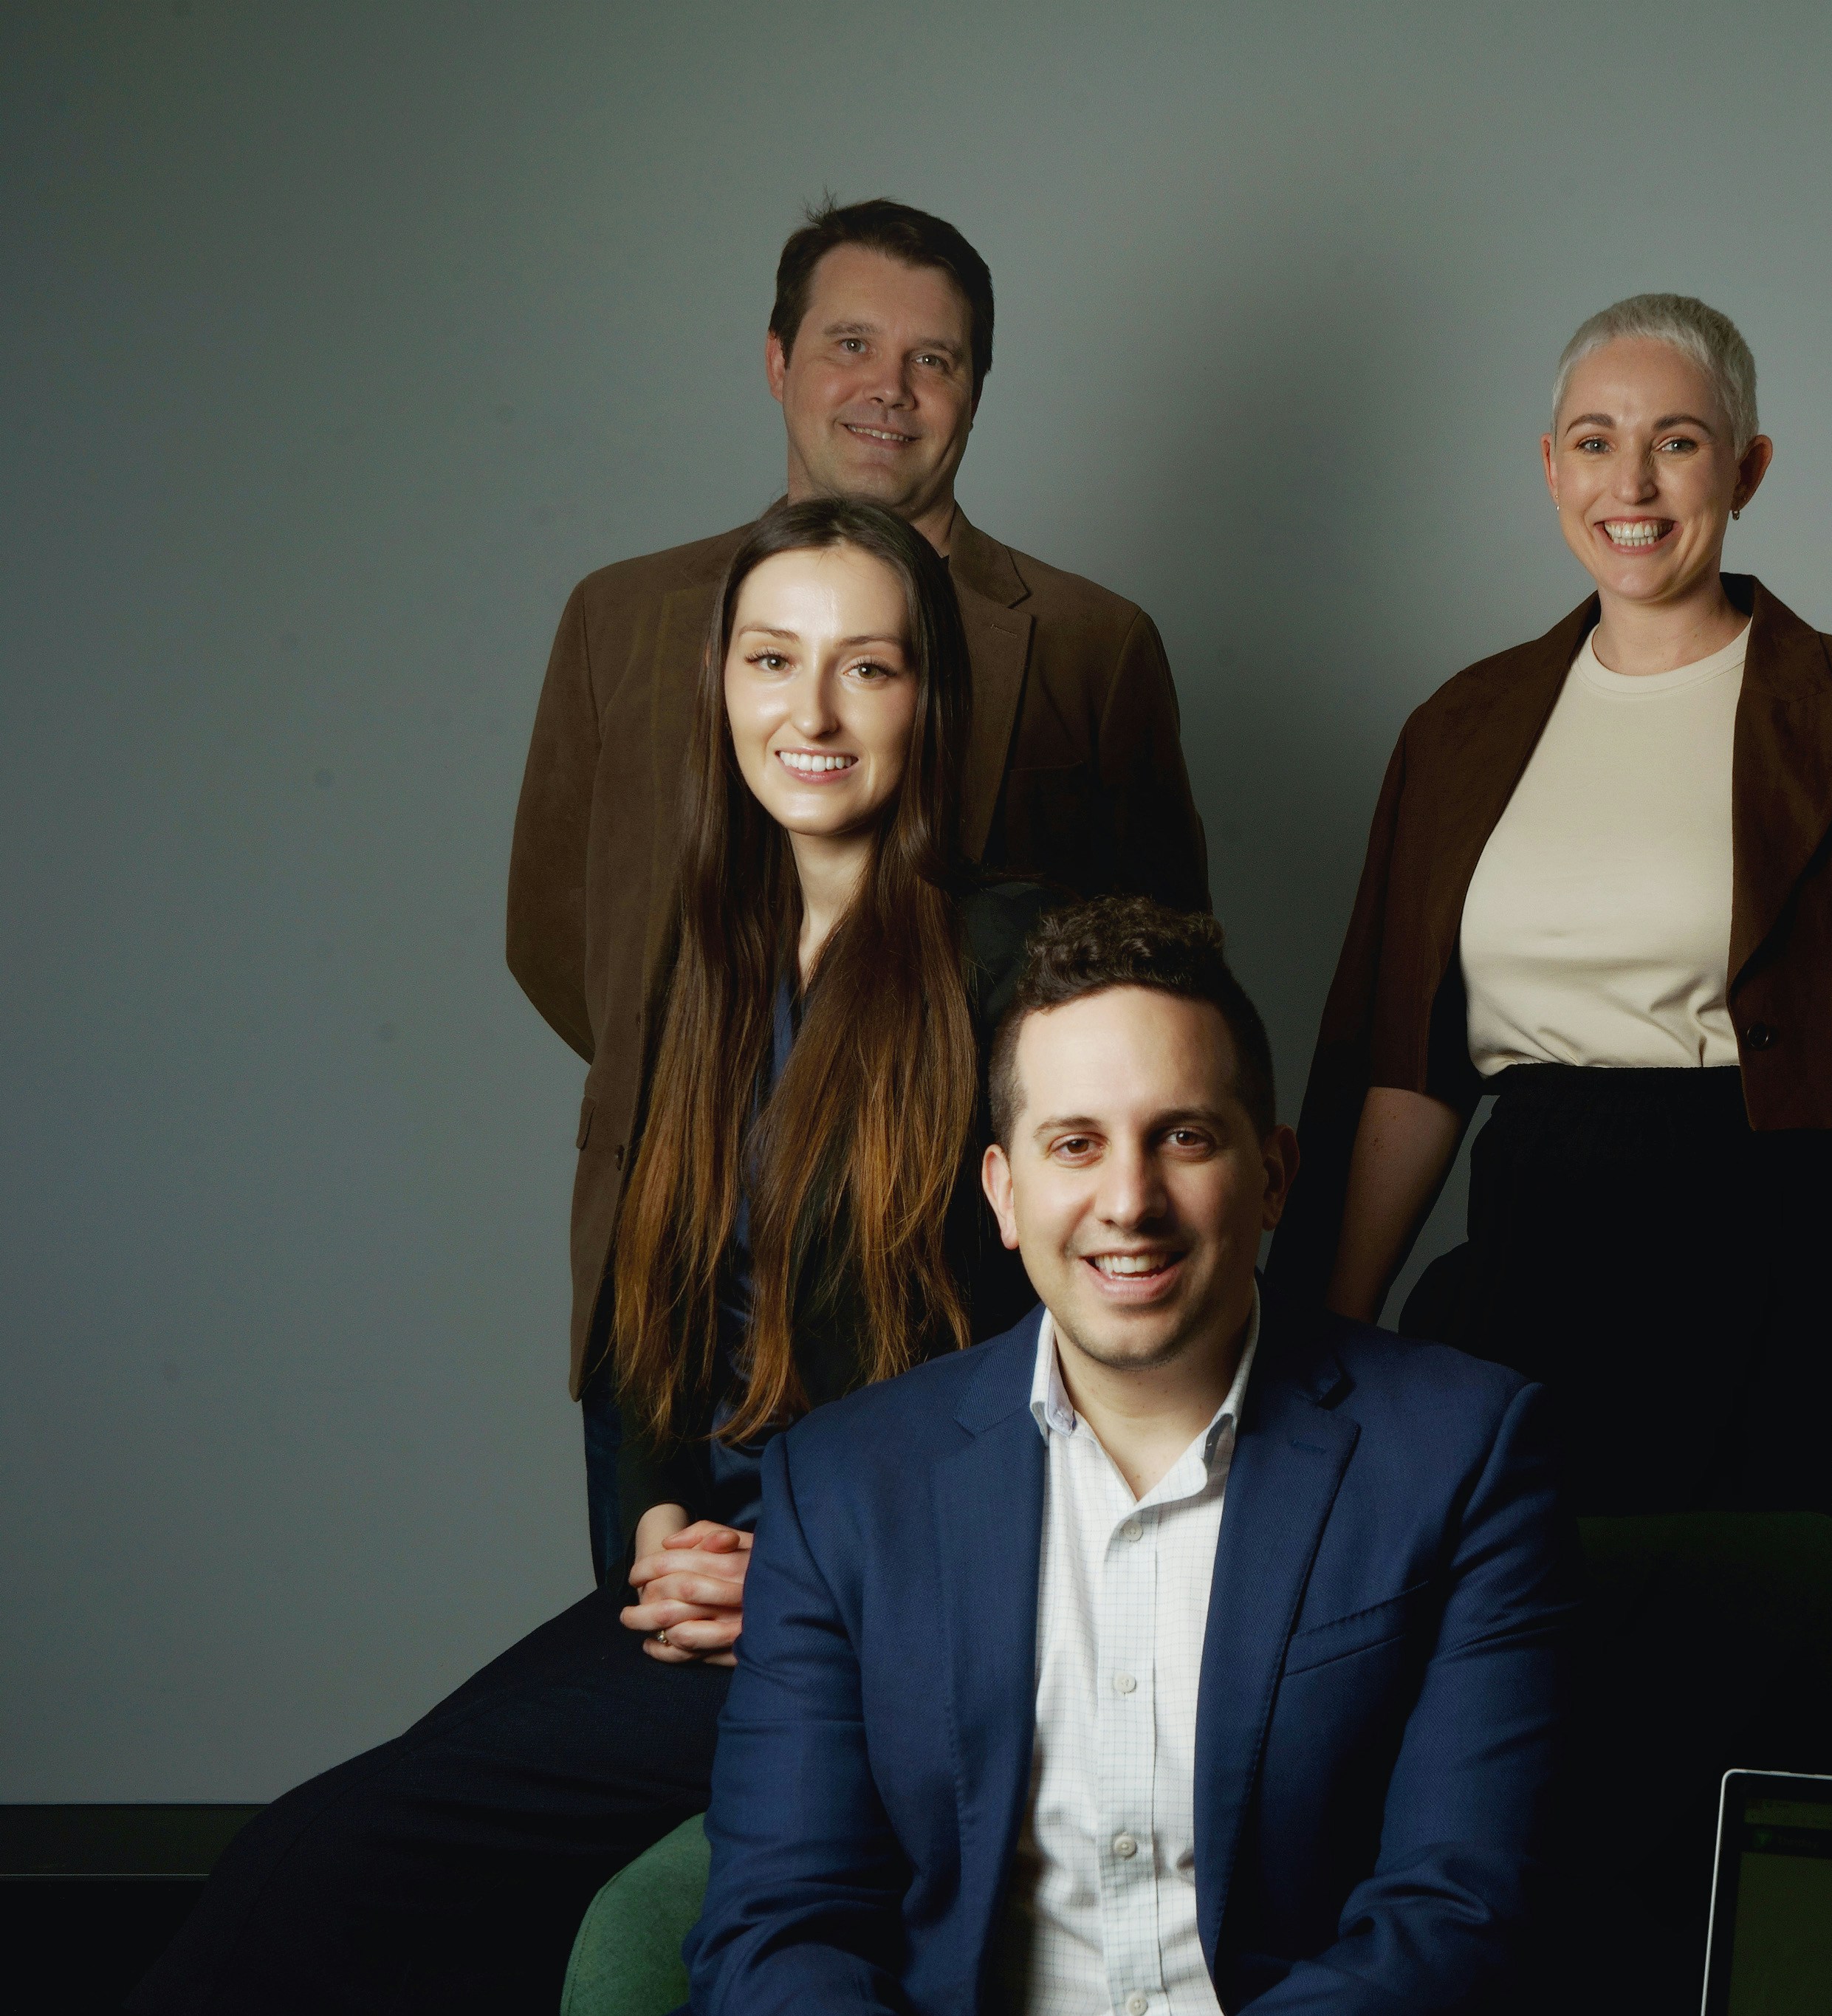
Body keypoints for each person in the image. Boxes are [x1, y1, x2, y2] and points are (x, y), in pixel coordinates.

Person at [135, 499, 1051, 2015]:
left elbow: (1076, 1383)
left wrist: (813, 1587)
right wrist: (657, 1530)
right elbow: (652, 1318)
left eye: (866, 668)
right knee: (327, 1866)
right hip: (710, 1577)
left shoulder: (1009, 968)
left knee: (325, 1871)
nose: (809, 711)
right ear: (720, 689)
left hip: (904, 1614)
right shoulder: (709, 958)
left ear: (926, 703)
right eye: (770, 659)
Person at [1270, 293, 1832, 1591]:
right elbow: (1412, 1071)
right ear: (1550, 465)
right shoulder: (1461, 728)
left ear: (1747, 468)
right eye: (1594, 441)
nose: (1630, 482)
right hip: (1526, 1264)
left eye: (1678, 442)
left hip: (1771, 1271)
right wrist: (1320, 1341)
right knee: (1514, 1707)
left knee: (1761, 1705)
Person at [687, 897, 1571, 2014]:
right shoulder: (845, 1487)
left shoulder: (1465, 1454)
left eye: (1184, 1136)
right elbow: (781, 1920)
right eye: (1076, 1144)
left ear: (1274, 1177)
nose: (1129, 1202)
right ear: (1006, 1195)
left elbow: (1457, 1915)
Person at [510, 196, 1211, 1579]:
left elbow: (1162, 997)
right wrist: (750, 1110)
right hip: (674, 1308)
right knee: (664, 1683)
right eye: (849, 344)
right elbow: (558, 940)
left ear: (977, 388)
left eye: (935, 360)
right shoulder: (626, 619)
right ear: (778, 361)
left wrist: (862, 1119)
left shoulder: (1090, 643)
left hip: (945, 1332)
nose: (888, 390)